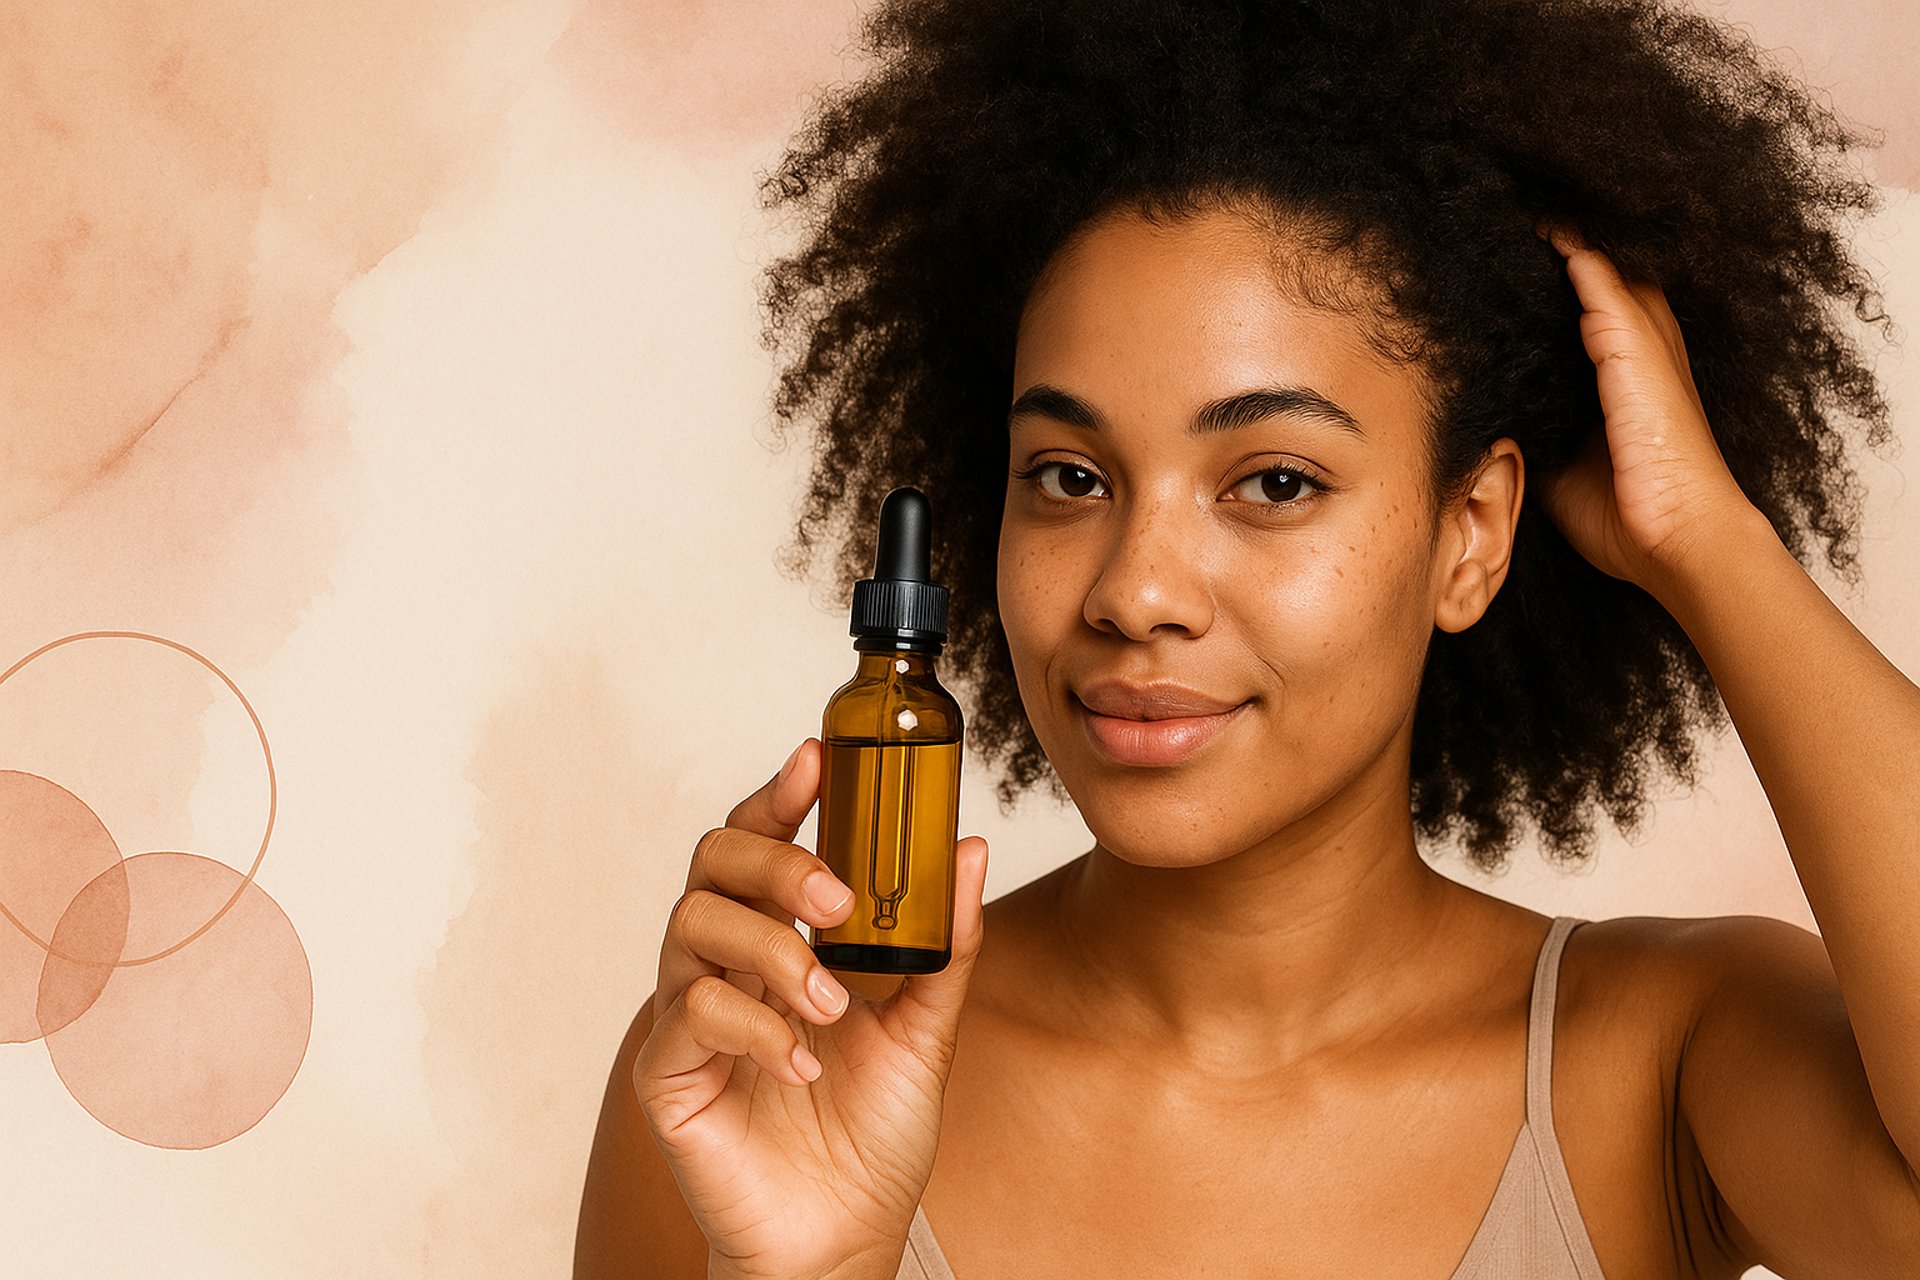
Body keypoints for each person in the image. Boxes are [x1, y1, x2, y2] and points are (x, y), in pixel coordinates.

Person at [577, 1, 1919, 1276]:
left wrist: (1710, 542)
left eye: (1274, 482)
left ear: (1472, 532)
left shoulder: (1659, 1063)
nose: (1136, 590)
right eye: (1070, 476)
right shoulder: (756, 1073)